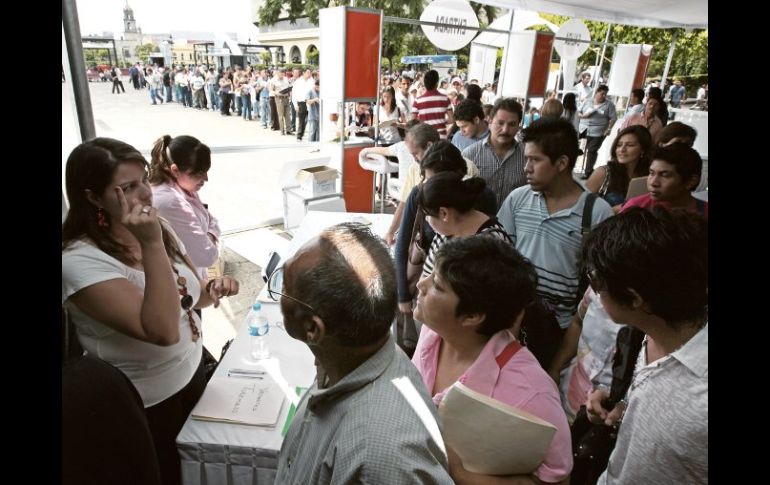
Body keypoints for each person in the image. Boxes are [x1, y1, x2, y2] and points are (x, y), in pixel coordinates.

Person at [62, 138, 239, 485]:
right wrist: (152, 242)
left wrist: (212, 290)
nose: (145, 193)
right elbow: (161, 330)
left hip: (192, 374)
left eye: (143, 179)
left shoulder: (157, 228)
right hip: (148, 403)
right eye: (127, 187)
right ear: (93, 197)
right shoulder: (78, 261)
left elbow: (190, 298)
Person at [271, 223, 453, 484]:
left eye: (285, 286)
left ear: (312, 328)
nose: (280, 295)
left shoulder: (381, 459)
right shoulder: (349, 360)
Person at [413, 236, 573, 484]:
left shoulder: (533, 393)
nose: (420, 285)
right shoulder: (432, 333)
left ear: (472, 315)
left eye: (436, 285)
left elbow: (557, 479)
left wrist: (461, 475)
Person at [583, 208, 708, 484]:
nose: (593, 292)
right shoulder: (647, 331)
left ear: (634, 298)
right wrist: (622, 403)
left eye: (597, 283)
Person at [497, 118, 614, 331]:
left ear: (561, 163)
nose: (527, 168)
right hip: (511, 319)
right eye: (526, 159)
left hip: (559, 327)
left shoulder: (597, 213)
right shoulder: (517, 199)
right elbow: (501, 255)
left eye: (535, 160)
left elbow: (600, 285)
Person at [149, 135, 221, 279]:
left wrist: (207, 235)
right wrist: (211, 234)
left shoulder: (183, 186)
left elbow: (212, 220)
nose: (206, 178)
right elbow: (207, 256)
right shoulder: (170, 202)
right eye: (199, 173)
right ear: (175, 170)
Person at [462, 98, 528, 209]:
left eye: (512, 124)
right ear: (489, 122)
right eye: (500, 123)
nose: (505, 130)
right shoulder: (470, 155)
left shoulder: (527, 157)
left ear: (518, 127)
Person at [622, 144, 708, 218]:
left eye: (665, 175)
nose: (653, 183)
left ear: (691, 181)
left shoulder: (705, 214)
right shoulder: (635, 208)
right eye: (651, 173)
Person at [585, 125, 653, 211]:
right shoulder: (604, 172)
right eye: (619, 145)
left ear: (643, 150)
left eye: (630, 145)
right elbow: (581, 207)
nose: (622, 149)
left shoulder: (649, 175)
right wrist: (618, 209)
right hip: (604, 223)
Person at [578, 85, 617, 179]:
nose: (603, 96)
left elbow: (614, 118)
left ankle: (588, 171)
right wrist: (582, 116)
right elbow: (578, 111)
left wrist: (609, 129)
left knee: (592, 150)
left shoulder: (609, 105)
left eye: (605, 94)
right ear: (596, 93)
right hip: (583, 128)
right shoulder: (588, 101)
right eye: (602, 93)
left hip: (598, 131)